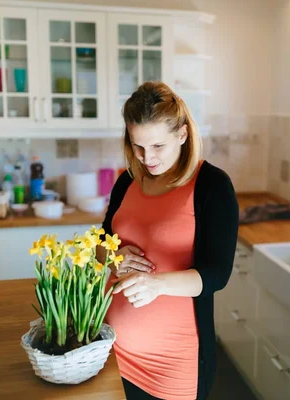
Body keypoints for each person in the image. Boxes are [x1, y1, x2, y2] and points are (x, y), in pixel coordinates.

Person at [97, 81, 239, 400]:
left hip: (171, 365)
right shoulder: (128, 180)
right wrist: (113, 255)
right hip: (111, 350)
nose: (148, 158)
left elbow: (217, 274)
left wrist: (157, 284)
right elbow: (102, 241)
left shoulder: (211, 186)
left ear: (182, 134)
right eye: (138, 146)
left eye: (158, 146)